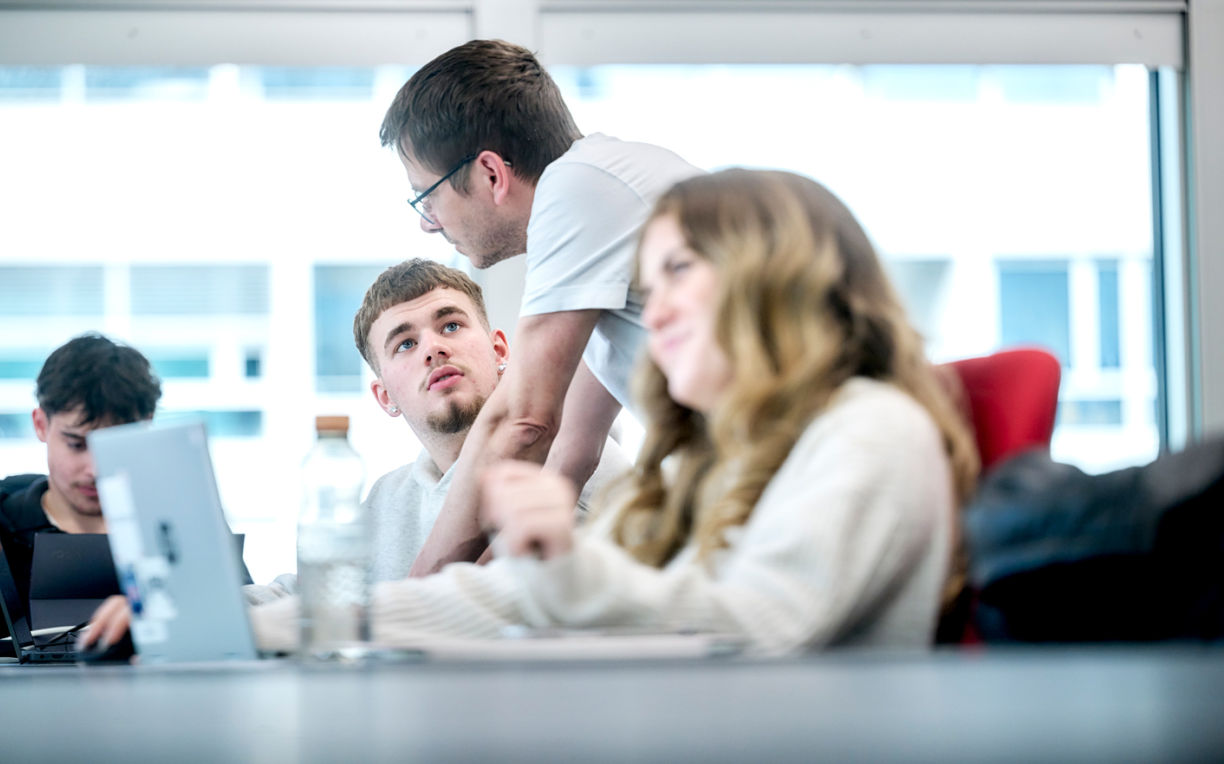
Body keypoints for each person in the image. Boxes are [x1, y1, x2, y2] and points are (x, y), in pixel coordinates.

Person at [246, 169, 980, 653]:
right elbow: (516, 599)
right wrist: (264, 626)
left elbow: (760, 625)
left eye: (677, 273)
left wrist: (562, 579)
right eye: (647, 285)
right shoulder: (726, 461)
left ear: (776, 275)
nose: (651, 314)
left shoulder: (870, 428)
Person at [78, 260, 631, 648]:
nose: (434, 347)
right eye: (405, 343)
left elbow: (479, 608)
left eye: (452, 324)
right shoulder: (386, 496)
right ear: (384, 396)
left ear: (501, 350)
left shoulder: (574, 468)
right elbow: (304, 593)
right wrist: (176, 609)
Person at [381, 39, 703, 577]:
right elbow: (571, 455)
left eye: (427, 196)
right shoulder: (598, 204)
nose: (427, 223)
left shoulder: (579, 190)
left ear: (490, 173)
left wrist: (411, 595)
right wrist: (465, 588)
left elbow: (523, 420)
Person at [0, 334, 161, 646]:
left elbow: (244, 614)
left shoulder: (177, 529)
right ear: (40, 425)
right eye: (76, 444)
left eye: (114, 447)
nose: (94, 469)